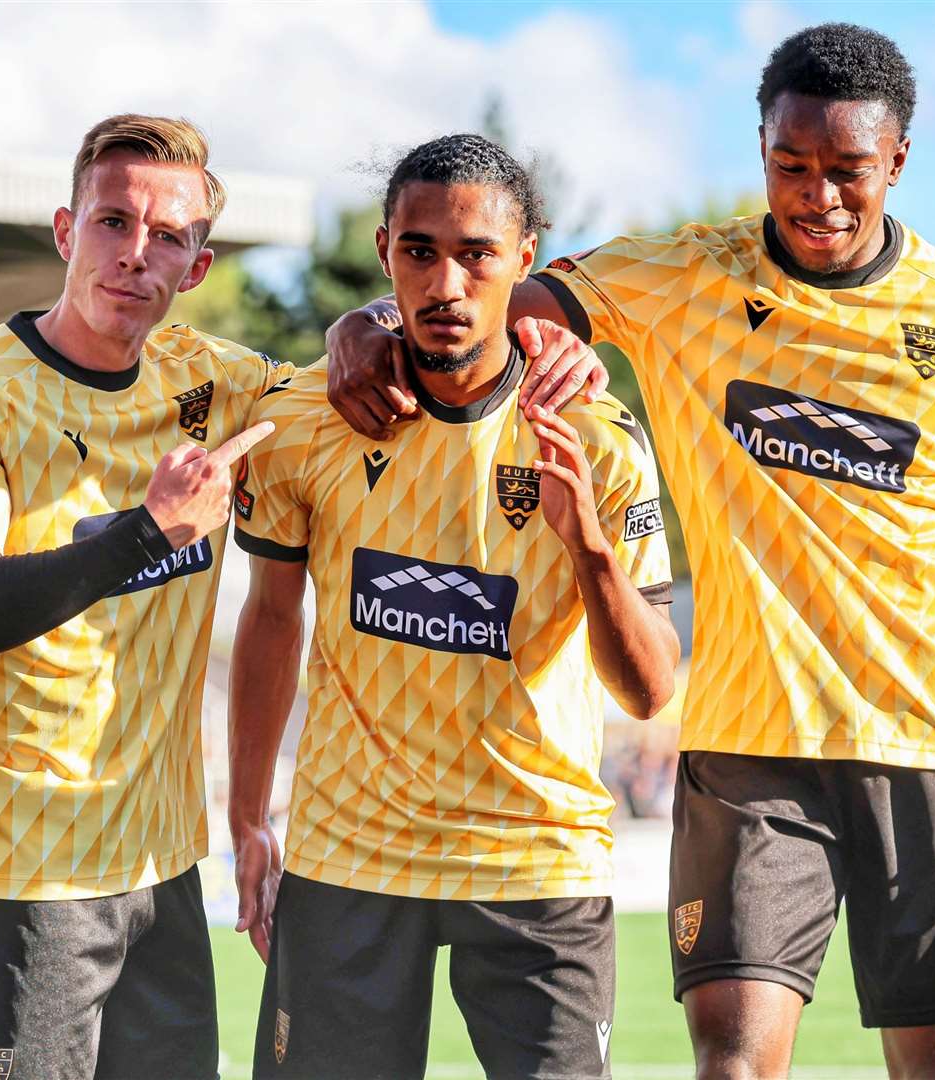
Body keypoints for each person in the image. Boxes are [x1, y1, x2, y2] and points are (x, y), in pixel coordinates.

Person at [326, 24, 935, 1079]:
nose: (819, 197)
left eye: (848, 171)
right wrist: (367, 318)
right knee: (733, 1065)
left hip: (928, 735)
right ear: (762, 144)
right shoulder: (682, 275)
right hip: (749, 746)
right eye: (791, 166)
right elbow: (473, 305)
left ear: (896, 160)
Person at [229, 133, 681, 1080]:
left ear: (524, 260)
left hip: (535, 860)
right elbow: (273, 618)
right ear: (386, 249)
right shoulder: (308, 417)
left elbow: (648, 691)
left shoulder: (596, 441)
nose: (446, 284)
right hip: (351, 857)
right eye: (420, 251)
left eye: (476, 254)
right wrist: (247, 817)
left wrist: (591, 550)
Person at [0, 114, 279, 1080]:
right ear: (66, 231)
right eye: (113, 223)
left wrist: (371, 326)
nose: (135, 255)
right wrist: (148, 532)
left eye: (169, 238)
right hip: (14, 873)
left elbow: (355, 382)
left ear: (196, 266)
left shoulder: (220, 383)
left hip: (161, 871)